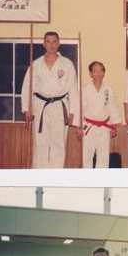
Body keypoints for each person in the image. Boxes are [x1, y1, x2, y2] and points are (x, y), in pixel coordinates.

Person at [21, 31, 79, 168]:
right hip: (40, 106)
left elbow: (73, 89)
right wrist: (26, 108)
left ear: (58, 43)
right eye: (48, 41)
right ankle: (39, 177)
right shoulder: (36, 64)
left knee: (58, 143)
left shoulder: (67, 64)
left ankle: (56, 176)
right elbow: (26, 87)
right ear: (43, 44)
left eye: (54, 41)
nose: (51, 45)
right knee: (40, 143)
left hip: (60, 106)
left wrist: (73, 112)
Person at [79, 61, 121, 168]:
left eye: (100, 70)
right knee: (87, 156)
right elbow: (80, 108)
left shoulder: (108, 90)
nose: (98, 73)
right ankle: (88, 182)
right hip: (89, 127)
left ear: (104, 73)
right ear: (90, 74)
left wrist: (114, 125)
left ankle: (101, 181)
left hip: (104, 127)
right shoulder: (85, 89)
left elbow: (112, 107)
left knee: (103, 157)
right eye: (95, 71)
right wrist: (78, 126)